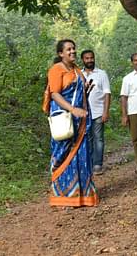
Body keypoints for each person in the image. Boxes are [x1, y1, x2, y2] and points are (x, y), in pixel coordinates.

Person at [42, 39, 98, 207]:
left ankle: (82, 195)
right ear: (61, 54)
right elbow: (55, 94)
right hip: (64, 119)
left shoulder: (76, 71)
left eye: (73, 49)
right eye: (68, 49)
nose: (73, 52)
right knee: (62, 154)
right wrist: (73, 109)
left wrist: (84, 92)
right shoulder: (56, 70)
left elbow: (78, 94)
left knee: (81, 155)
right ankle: (63, 196)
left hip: (79, 121)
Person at [81, 49, 111, 175]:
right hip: (84, 113)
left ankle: (97, 164)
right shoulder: (79, 74)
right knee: (87, 138)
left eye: (91, 58)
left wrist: (106, 111)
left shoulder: (101, 74)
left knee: (98, 139)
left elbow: (107, 93)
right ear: (83, 60)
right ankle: (89, 163)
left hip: (98, 111)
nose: (89, 60)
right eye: (87, 58)